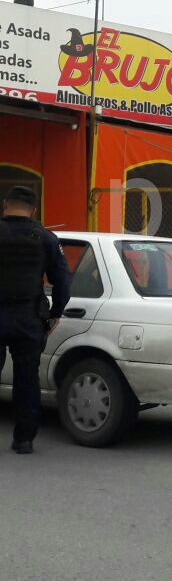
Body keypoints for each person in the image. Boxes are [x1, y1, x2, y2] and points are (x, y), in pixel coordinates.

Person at [0, 186, 71, 454]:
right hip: (28, 318)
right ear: (34, 210)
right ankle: (24, 440)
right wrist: (56, 313)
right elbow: (62, 282)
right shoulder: (46, 238)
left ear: (5, 204)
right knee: (27, 379)